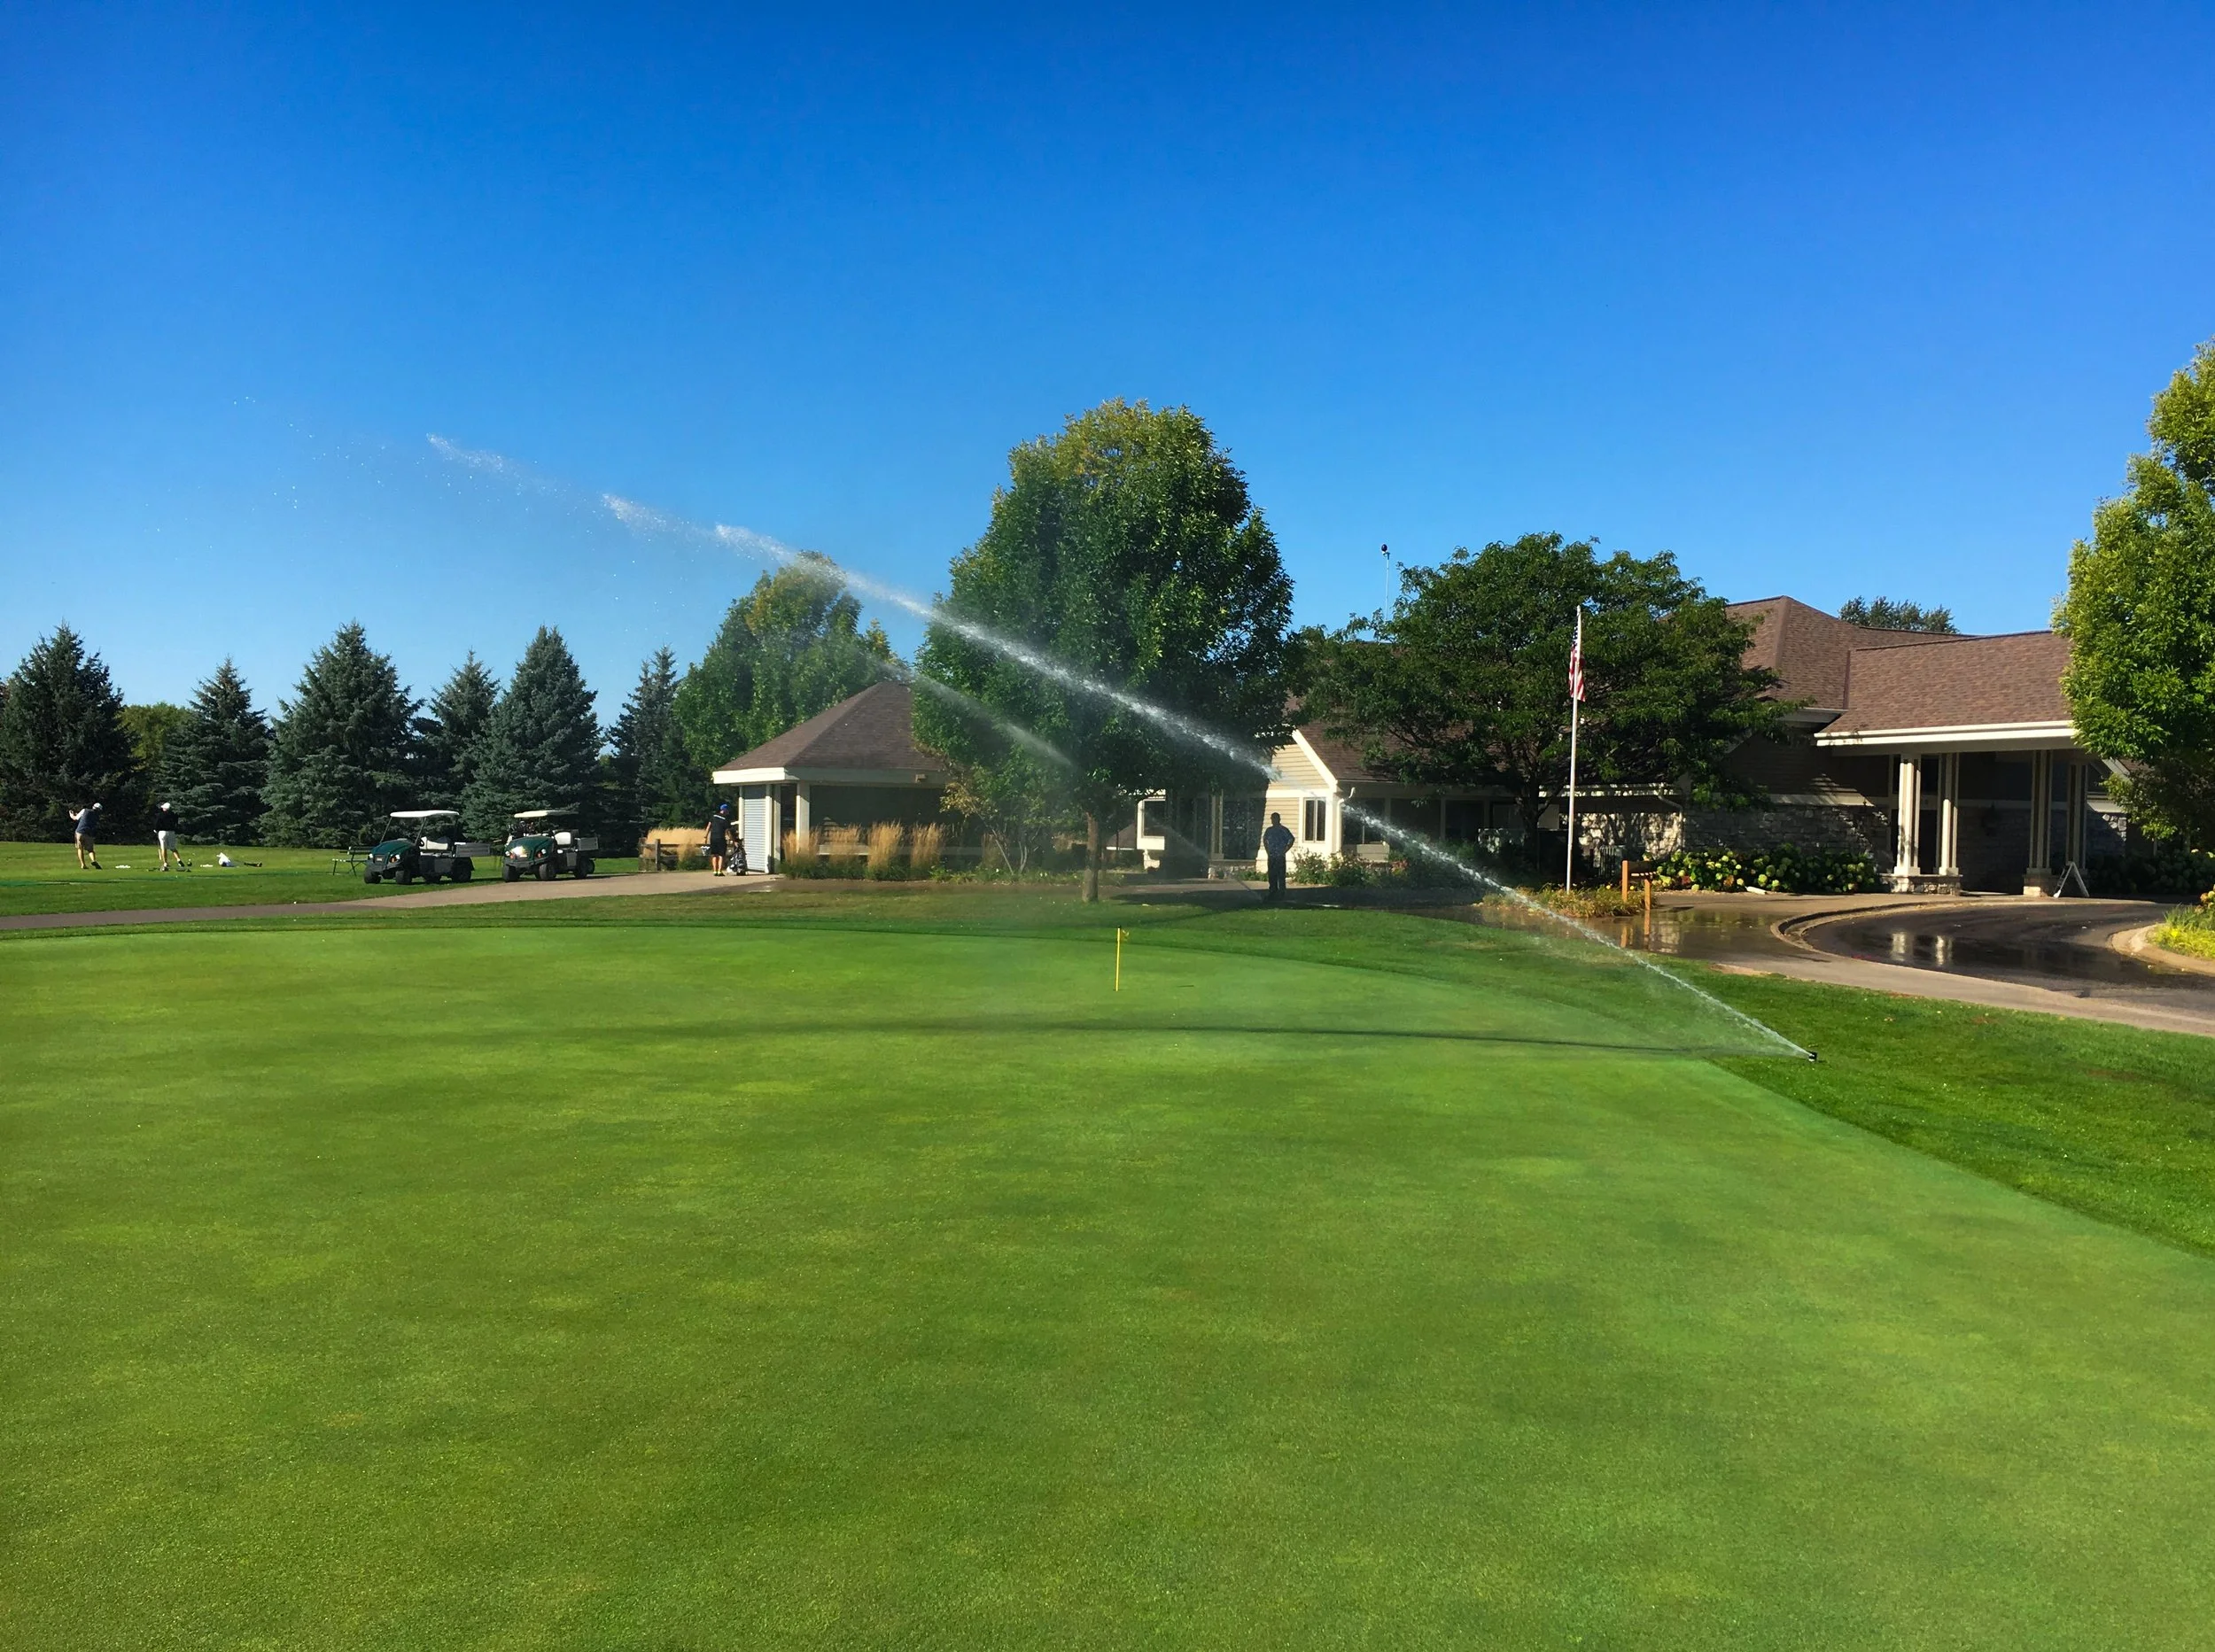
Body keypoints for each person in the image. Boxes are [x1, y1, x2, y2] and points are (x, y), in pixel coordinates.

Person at [1262, 810, 1296, 900]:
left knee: (1280, 876)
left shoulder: (1283, 830)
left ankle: (1281, 894)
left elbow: (1291, 839)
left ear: (1279, 819)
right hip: (1271, 856)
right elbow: (1265, 840)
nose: (1273, 820)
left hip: (1280, 856)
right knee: (1272, 875)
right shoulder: (1269, 830)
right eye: (1272, 819)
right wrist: (1267, 850)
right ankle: (1272, 892)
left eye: (1275, 819)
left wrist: (1285, 850)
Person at [152, 800, 183, 871]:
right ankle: (178, 860)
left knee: (164, 848)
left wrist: (155, 829)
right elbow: (176, 823)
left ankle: (165, 863)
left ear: (165, 809)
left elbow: (157, 823)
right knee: (173, 847)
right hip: (171, 832)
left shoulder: (160, 815)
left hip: (162, 832)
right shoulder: (174, 815)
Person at [72, 802, 102, 870]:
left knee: (80, 848)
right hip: (89, 834)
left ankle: (83, 865)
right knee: (90, 850)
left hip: (80, 832)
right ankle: (93, 860)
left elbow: (75, 818)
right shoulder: (97, 817)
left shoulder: (85, 810)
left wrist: (71, 815)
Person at [704, 803, 731, 876]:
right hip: (721, 838)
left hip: (713, 838)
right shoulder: (726, 819)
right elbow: (727, 831)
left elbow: (709, 826)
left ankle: (715, 871)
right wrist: (731, 839)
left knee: (714, 854)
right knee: (721, 855)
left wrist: (705, 836)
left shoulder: (713, 816)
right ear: (725, 810)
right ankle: (719, 871)